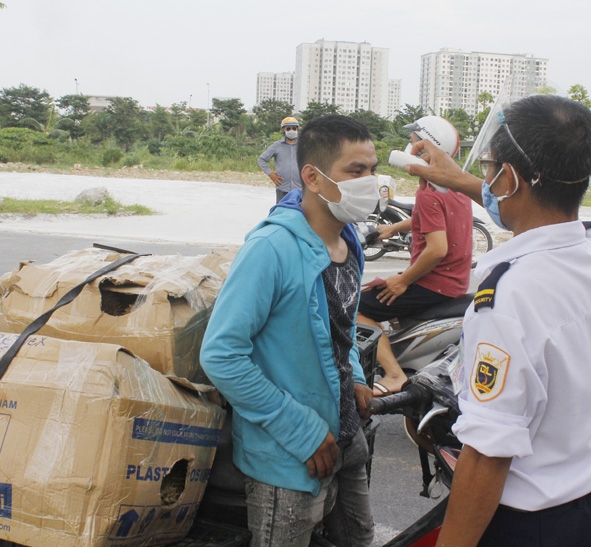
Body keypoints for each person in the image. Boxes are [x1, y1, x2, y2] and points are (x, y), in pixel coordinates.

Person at [406, 94, 591, 546]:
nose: (485, 179)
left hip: (532, 527)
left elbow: (489, 454)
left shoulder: (508, 296)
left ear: (509, 177)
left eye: (490, 168)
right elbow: (534, 208)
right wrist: (459, 178)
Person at [201, 115, 378, 547]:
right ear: (313, 178)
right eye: (355, 172)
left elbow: (341, 321)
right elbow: (221, 355)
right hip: (290, 453)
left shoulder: (348, 239)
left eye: (372, 170)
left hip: (345, 434)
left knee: (359, 539)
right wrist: (301, 430)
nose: (369, 183)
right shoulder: (270, 250)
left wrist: (354, 374)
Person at [357, 116, 474, 396]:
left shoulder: (429, 194)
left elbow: (437, 249)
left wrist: (402, 280)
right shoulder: (455, 185)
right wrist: (393, 228)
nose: (407, 150)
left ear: (425, 150)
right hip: (455, 280)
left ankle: (394, 374)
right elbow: (432, 219)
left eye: (412, 143)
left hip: (432, 283)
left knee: (353, 308)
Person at [258, 116, 302, 203]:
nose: (291, 130)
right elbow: (261, 160)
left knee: (301, 214)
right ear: (283, 130)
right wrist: (271, 174)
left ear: (297, 129)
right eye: (288, 128)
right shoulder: (276, 146)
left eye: (294, 128)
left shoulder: (304, 146)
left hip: (301, 189)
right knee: (281, 213)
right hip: (283, 189)